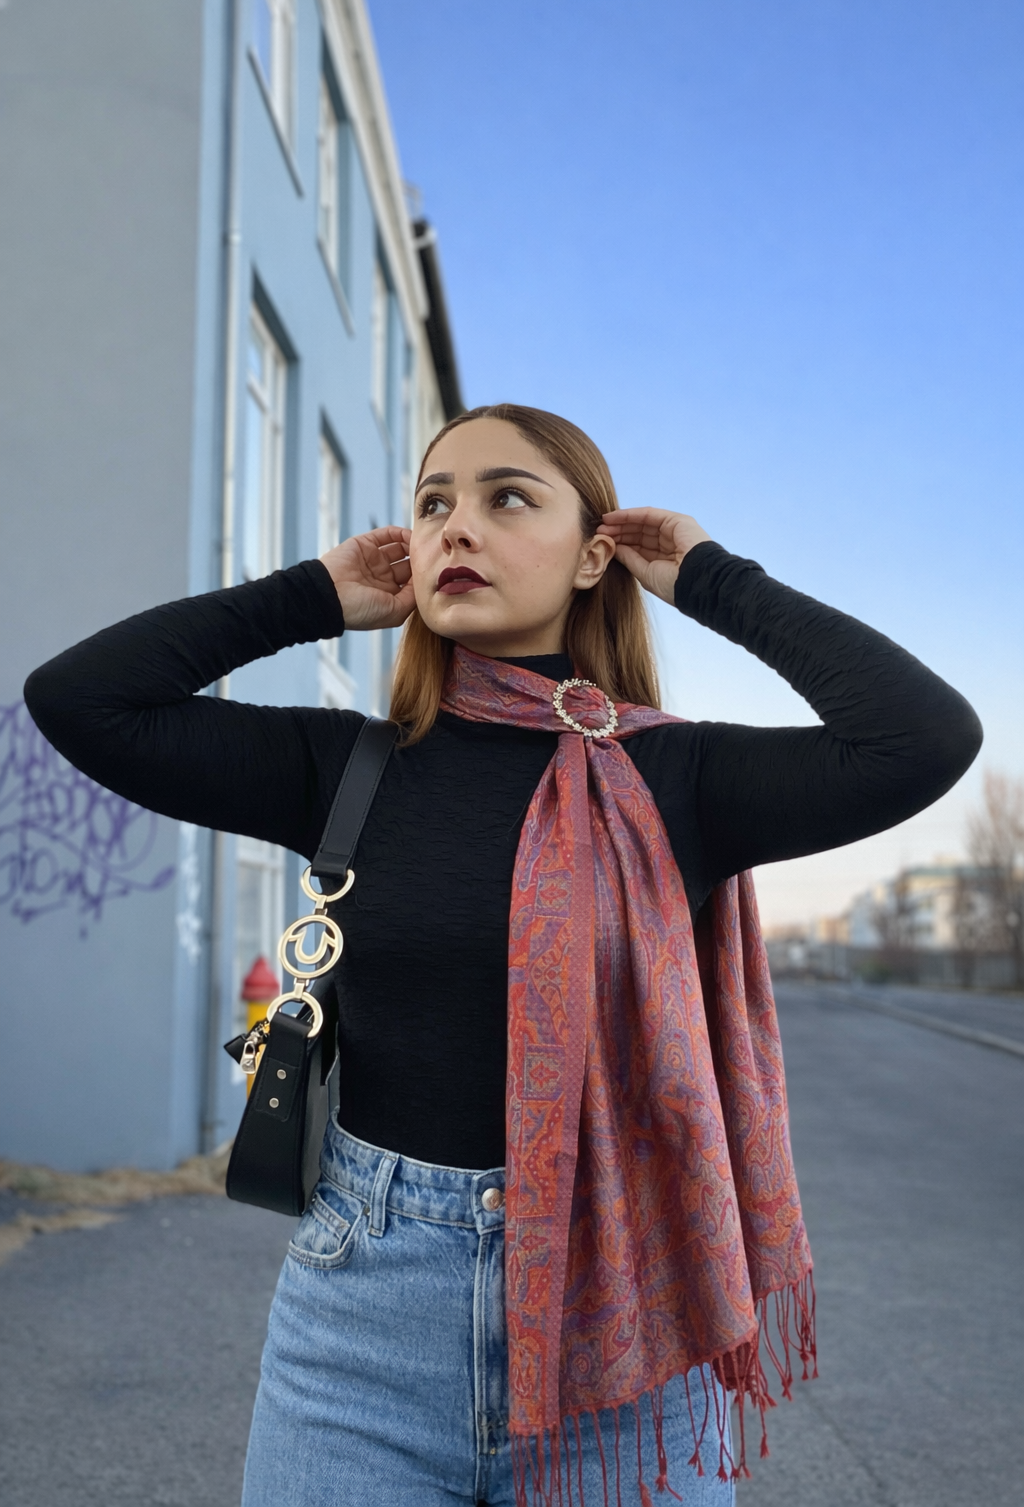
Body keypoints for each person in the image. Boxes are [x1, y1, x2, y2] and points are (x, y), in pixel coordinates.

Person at [25, 404, 982, 1507]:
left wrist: (709, 576)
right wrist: (314, 599)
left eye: (505, 497)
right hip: (362, 1328)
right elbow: (81, 700)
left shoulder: (682, 781)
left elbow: (923, 736)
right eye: (433, 502)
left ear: (593, 556)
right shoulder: (345, 766)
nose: (453, 528)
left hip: (627, 1328)